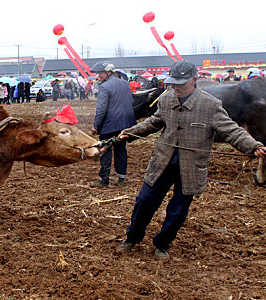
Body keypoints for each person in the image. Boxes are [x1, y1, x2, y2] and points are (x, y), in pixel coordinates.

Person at [116, 60, 266, 260]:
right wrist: (131, 133)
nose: (176, 87)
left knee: (178, 209)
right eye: (173, 82)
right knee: (144, 201)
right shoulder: (167, 98)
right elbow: (155, 121)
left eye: (181, 83)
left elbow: (232, 130)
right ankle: (132, 238)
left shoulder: (210, 104)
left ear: (195, 80)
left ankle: (162, 243)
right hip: (162, 161)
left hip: (191, 166)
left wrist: (253, 145)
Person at [91, 61, 136, 187]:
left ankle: (104, 180)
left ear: (108, 72)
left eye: (100, 73)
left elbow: (101, 109)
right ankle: (121, 178)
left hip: (109, 125)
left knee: (105, 151)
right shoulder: (124, 83)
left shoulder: (104, 87)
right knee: (121, 149)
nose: (99, 76)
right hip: (124, 124)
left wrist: (96, 126)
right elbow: (131, 101)